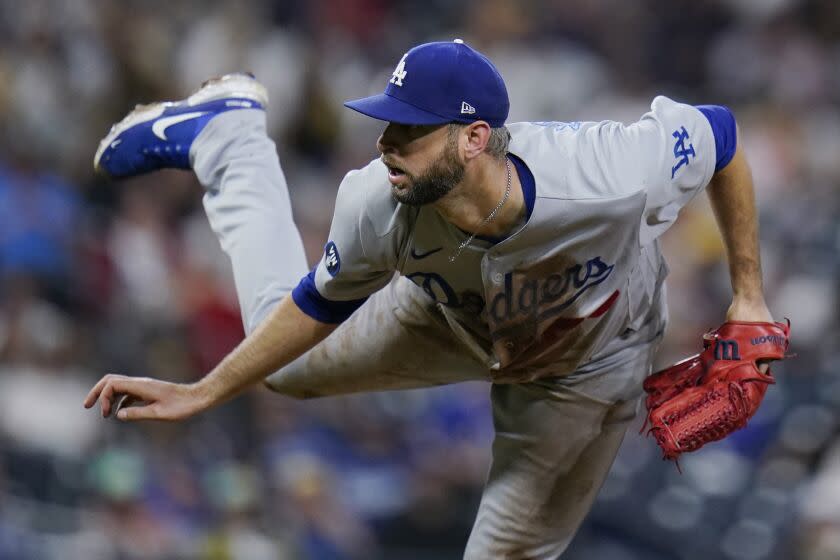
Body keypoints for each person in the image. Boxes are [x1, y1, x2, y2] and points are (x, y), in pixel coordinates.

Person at [85, 40, 775, 558]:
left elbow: (720, 134)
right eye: (388, 124)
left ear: (475, 138)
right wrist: (207, 390)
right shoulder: (375, 200)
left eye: (410, 131)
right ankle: (230, 138)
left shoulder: (606, 172)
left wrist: (748, 295)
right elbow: (315, 308)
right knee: (278, 362)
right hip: (444, 321)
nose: (387, 143)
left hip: (583, 363)